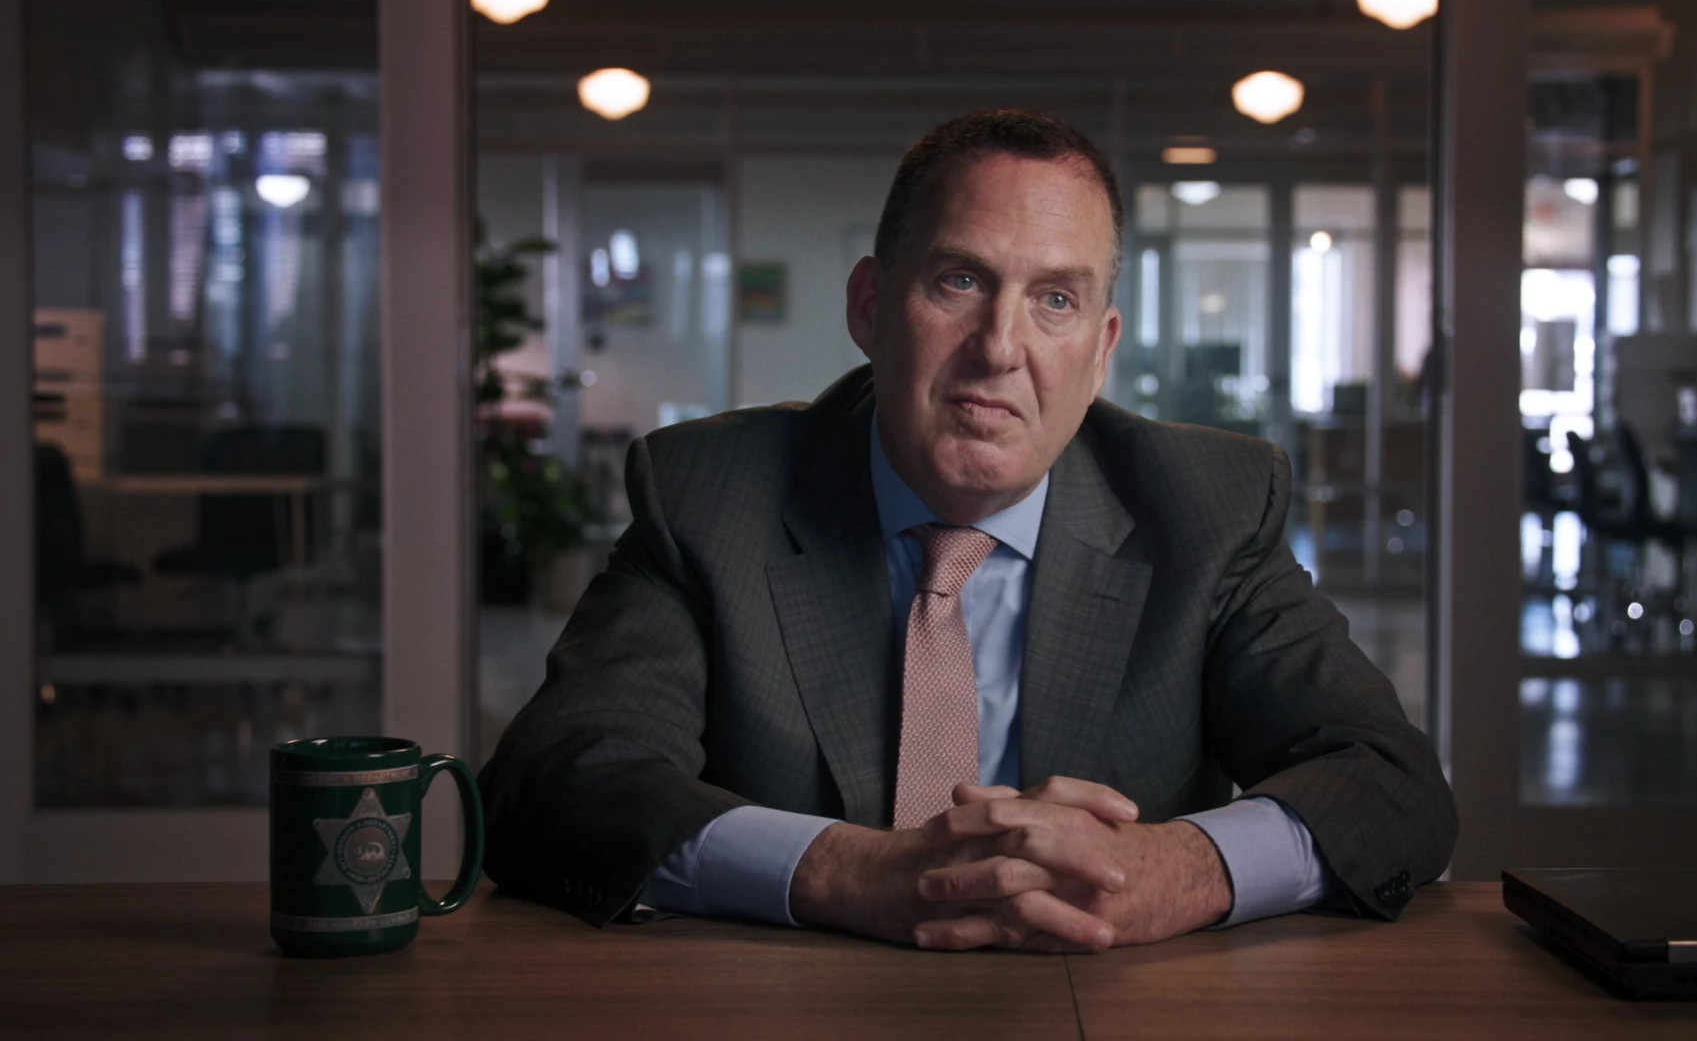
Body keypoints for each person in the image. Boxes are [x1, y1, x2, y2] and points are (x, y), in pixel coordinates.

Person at [479, 108, 1455, 952]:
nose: (1000, 348)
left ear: (1101, 350)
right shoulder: (712, 496)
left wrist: (1175, 870)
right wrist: (849, 872)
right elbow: (553, 785)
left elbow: (1392, 788)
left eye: (1056, 300)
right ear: (871, 306)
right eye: (959, 282)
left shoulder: (1205, 508)